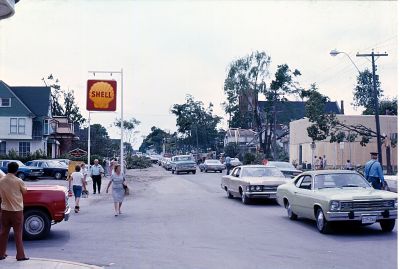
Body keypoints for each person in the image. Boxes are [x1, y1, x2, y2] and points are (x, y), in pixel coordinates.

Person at [0, 162, 29, 261]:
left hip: (4, 210)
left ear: (8, 169)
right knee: (18, 233)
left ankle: (1, 253)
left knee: (3, 232)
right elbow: (24, 191)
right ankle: (20, 255)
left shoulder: (1, 180)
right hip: (17, 211)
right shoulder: (18, 181)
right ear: (17, 170)